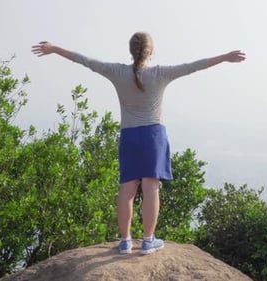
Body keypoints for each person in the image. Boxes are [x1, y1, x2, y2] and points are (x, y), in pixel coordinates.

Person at [32, 32, 246, 254]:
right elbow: (195, 66)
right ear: (151, 51)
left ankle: (125, 241)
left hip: (130, 136)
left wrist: (55, 49)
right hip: (153, 136)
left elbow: (85, 60)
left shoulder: (116, 72)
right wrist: (225, 57)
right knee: (151, 187)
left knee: (127, 189)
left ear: (131, 50)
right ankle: (147, 240)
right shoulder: (161, 73)